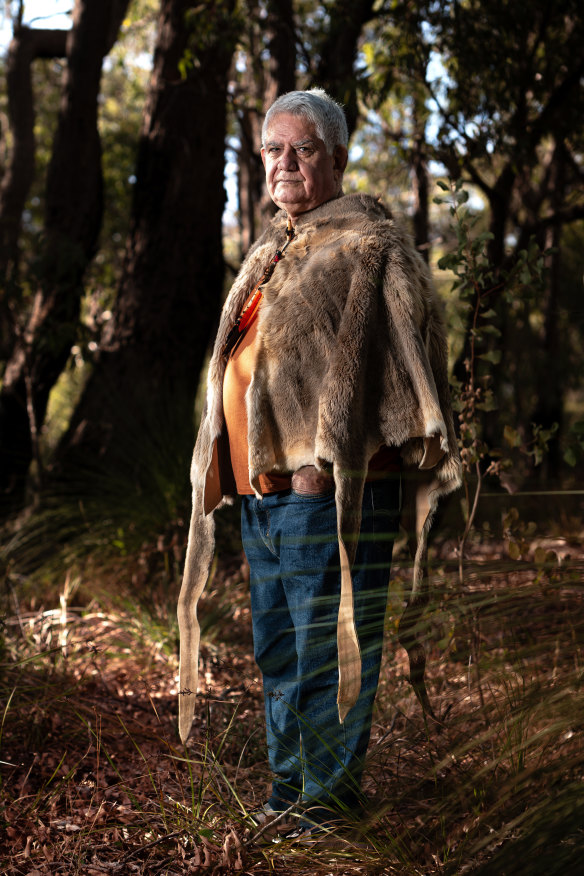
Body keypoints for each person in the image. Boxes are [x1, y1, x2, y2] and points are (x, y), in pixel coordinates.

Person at [177, 89, 461, 838]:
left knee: (331, 647)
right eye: (274, 149)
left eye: (303, 148)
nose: (286, 163)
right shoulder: (275, 249)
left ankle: (328, 808)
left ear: (336, 157)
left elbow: (404, 370)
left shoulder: (369, 246)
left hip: (330, 492)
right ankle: (288, 794)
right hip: (262, 493)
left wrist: (328, 459)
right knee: (278, 649)